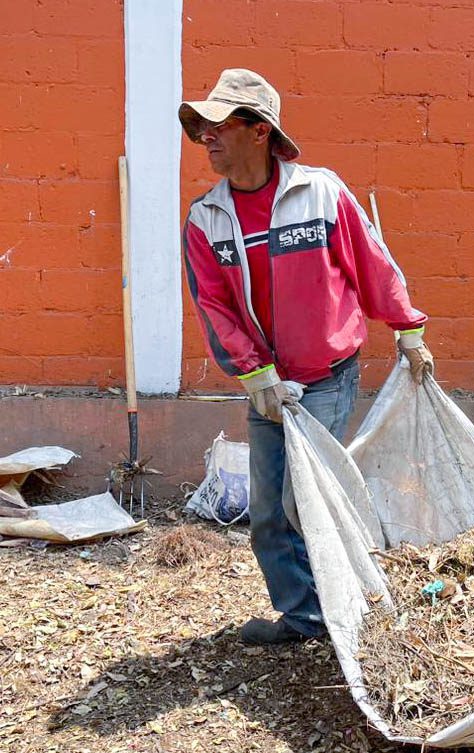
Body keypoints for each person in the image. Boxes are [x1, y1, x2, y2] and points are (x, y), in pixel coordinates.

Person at [178, 69, 433, 644]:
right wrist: (257, 376)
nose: (206, 139)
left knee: (305, 502)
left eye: (219, 126)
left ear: (260, 130)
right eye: (202, 130)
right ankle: (307, 619)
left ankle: (354, 606)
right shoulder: (206, 218)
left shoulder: (320, 193)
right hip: (266, 385)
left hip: (325, 377)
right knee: (268, 513)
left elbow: (372, 265)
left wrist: (408, 330)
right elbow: (213, 306)